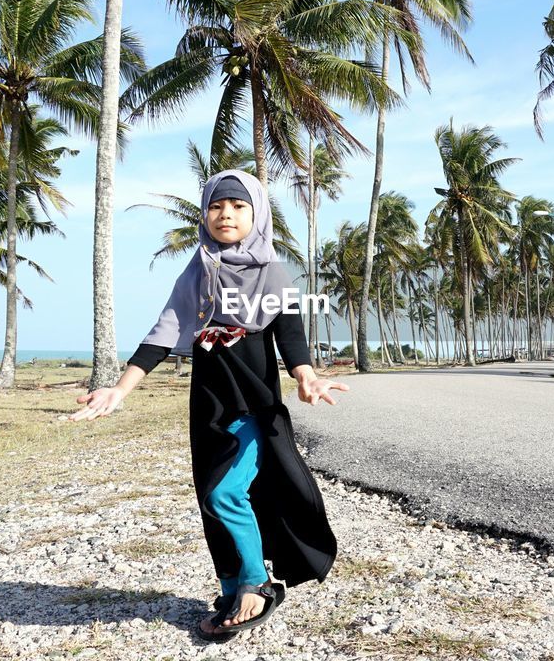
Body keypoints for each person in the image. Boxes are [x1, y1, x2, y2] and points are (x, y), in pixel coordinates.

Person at [70, 169, 350, 642]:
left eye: (239, 206)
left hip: (252, 402)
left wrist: (305, 377)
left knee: (226, 493)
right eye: (218, 206)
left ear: (256, 213)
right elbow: (164, 334)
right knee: (210, 497)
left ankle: (257, 584)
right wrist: (119, 389)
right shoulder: (198, 270)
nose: (227, 214)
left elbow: (290, 334)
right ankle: (228, 587)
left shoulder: (272, 271)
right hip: (208, 401)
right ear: (204, 214)